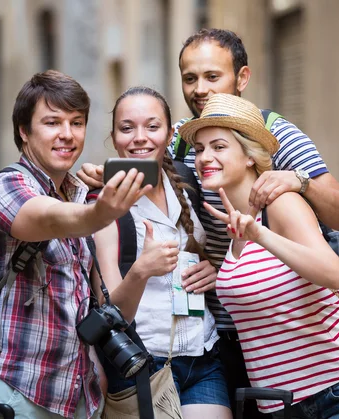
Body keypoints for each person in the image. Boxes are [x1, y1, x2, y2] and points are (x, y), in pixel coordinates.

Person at [77, 28, 339, 415]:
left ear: (242, 78)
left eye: (213, 76)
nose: (200, 88)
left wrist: (299, 181)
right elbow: (144, 148)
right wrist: (108, 174)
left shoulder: (275, 135)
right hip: (218, 331)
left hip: (279, 331)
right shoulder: (181, 137)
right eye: (190, 78)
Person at [177, 92, 339, 418]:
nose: (204, 157)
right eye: (199, 149)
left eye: (218, 147)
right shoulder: (234, 228)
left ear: (250, 155)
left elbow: (334, 273)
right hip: (282, 405)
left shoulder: (279, 206)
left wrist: (260, 234)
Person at [0, 70, 153, 419]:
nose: (67, 135)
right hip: (12, 395)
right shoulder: (4, 189)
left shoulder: (79, 193)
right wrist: (100, 213)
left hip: (77, 401)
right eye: (52, 123)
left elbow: (105, 310)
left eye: (76, 123)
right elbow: (49, 218)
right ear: (24, 130)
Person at [91, 86, 232, 418]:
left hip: (203, 354)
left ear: (169, 133)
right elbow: (111, 314)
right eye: (127, 128)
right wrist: (142, 270)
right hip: (142, 362)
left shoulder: (186, 181)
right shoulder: (102, 207)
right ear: (114, 137)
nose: (140, 137)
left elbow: (210, 250)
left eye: (152, 127)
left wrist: (213, 269)